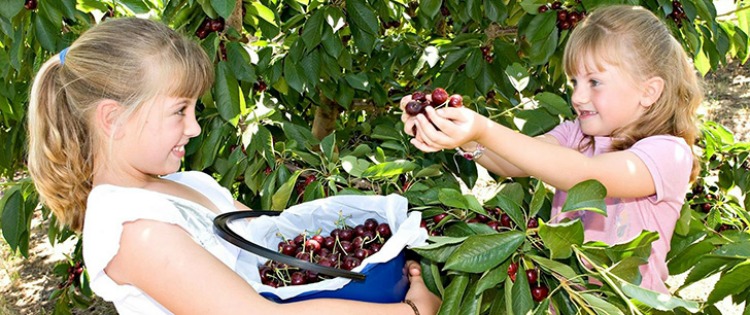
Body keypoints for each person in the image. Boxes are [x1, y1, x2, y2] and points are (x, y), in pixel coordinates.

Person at [27, 17, 440, 315]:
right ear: (112, 118)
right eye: (179, 111)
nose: (193, 127)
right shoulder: (136, 232)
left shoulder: (185, 183)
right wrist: (410, 312)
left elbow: (277, 247)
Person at [401, 5, 702, 294]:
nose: (578, 96)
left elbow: (586, 176)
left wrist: (483, 129)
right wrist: (456, 133)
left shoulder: (667, 154)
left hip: (626, 305)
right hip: (567, 299)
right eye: (574, 81)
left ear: (648, 91)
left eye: (594, 81)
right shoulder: (578, 135)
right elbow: (517, 162)